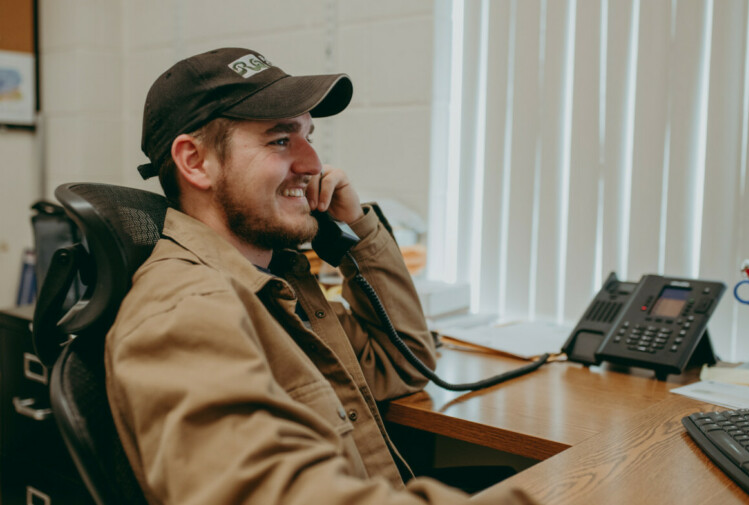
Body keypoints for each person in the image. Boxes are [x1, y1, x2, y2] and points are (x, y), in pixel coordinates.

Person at [105, 47, 534, 505]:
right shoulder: (185, 311)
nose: (314, 164)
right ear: (195, 162)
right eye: (280, 139)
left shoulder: (280, 285)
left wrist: (358, 231)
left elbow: (404, 364)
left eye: (309, 136)